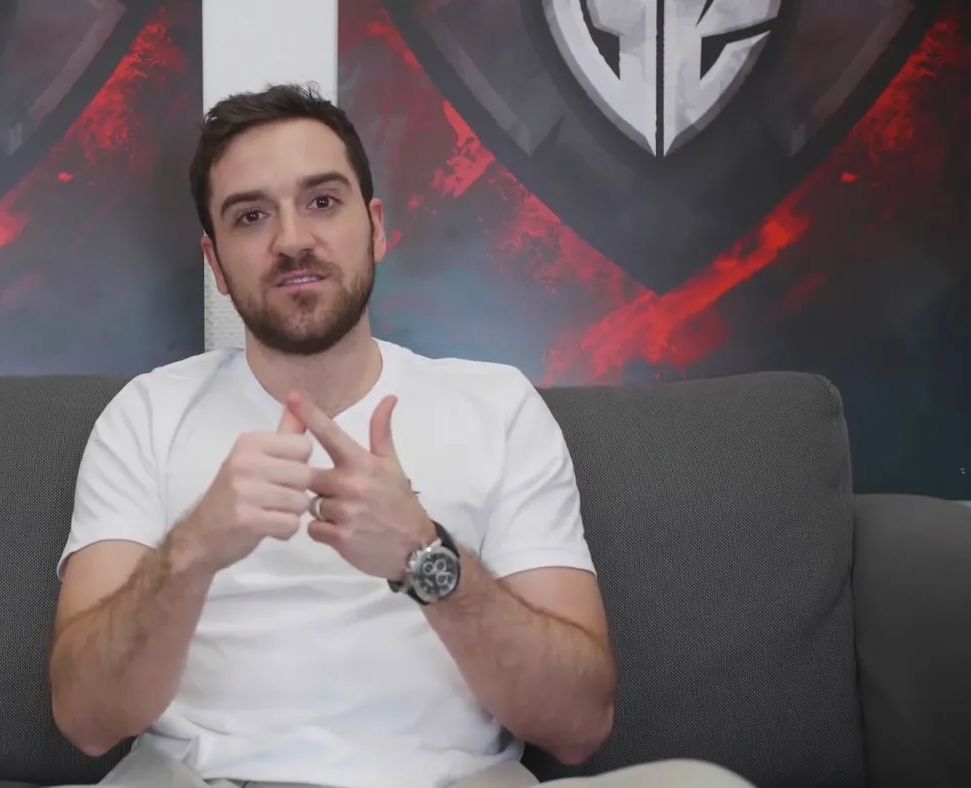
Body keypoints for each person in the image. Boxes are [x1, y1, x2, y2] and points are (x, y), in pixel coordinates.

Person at [47, 84, 754, 788]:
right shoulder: (147, 415)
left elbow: (578, 725)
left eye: (323, 201)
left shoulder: (498, 407)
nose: (292, 240)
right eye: (251, 216)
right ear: (216, 265)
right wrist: (191, 552)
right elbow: (85, 719)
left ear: (376, 227)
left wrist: (425, 556)